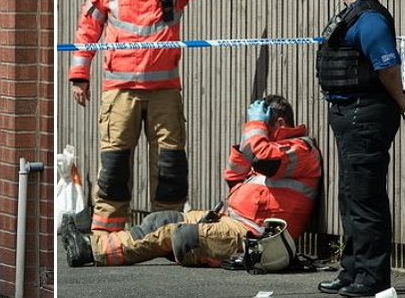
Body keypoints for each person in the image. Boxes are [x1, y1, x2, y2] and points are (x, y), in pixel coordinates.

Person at [67, 0, 222, 233]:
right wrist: (79, 75)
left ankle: (167, 231)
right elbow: (88, 31)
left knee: (170, 165)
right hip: (120, 90)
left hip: (164, 90)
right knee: (114, 164)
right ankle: (106, 235)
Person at [62, 95, 322, 268]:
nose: (257, 130)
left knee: (175, 235)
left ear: (277, 122)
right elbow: (234, 178)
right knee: (159, 220)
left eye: (263, 125)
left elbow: (265, 161)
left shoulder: (301, 149)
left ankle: (91, 250)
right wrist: (249, 139)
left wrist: (255, 128)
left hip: (254, 237)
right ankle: (100, 246)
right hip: (228, 219)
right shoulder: (264, 144)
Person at [316, 0, 405, 297]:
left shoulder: (369, 18)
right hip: (349, 113)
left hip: (365, 114)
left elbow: (387, 66)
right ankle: (352, 269)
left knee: (365, 198)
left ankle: (372, 277)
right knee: (351, 195)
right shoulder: (353, 13)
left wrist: (401, 101)